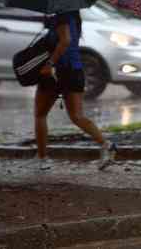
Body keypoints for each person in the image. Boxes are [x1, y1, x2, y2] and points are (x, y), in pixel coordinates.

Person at [34, 11, 115, 170]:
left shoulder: (62, 16)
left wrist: (49, 64)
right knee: (77, 116)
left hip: (58, 72)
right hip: (75, 71)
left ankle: (42, 159)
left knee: (40, 114)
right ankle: (106, 145)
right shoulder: (73, 17)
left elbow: (65, 41)